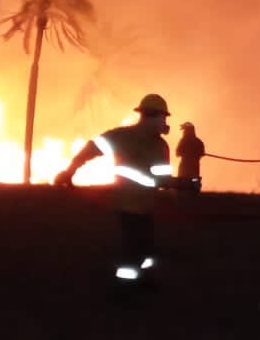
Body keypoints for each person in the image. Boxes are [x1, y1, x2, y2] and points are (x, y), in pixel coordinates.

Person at [53, 93, 186, 292]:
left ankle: (145, 278)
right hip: (129, 205)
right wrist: (70, 171)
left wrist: (175, 190)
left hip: (145, 205)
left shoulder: (157, 145)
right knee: (134, 248)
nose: (164, 122)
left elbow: (162, 180)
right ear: (149, 116)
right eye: (162, 117)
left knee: (147, 246)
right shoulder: (126, 138)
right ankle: (124, 288)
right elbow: (92, 148)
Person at [174, 121, 205, 194]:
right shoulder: (198, 141)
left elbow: (177, 153)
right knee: (194, 183)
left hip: (184, 167)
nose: (183, 132)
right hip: (195, 167)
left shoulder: (183, 141)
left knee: (182, 184)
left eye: (184, 130)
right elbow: (201, 154)